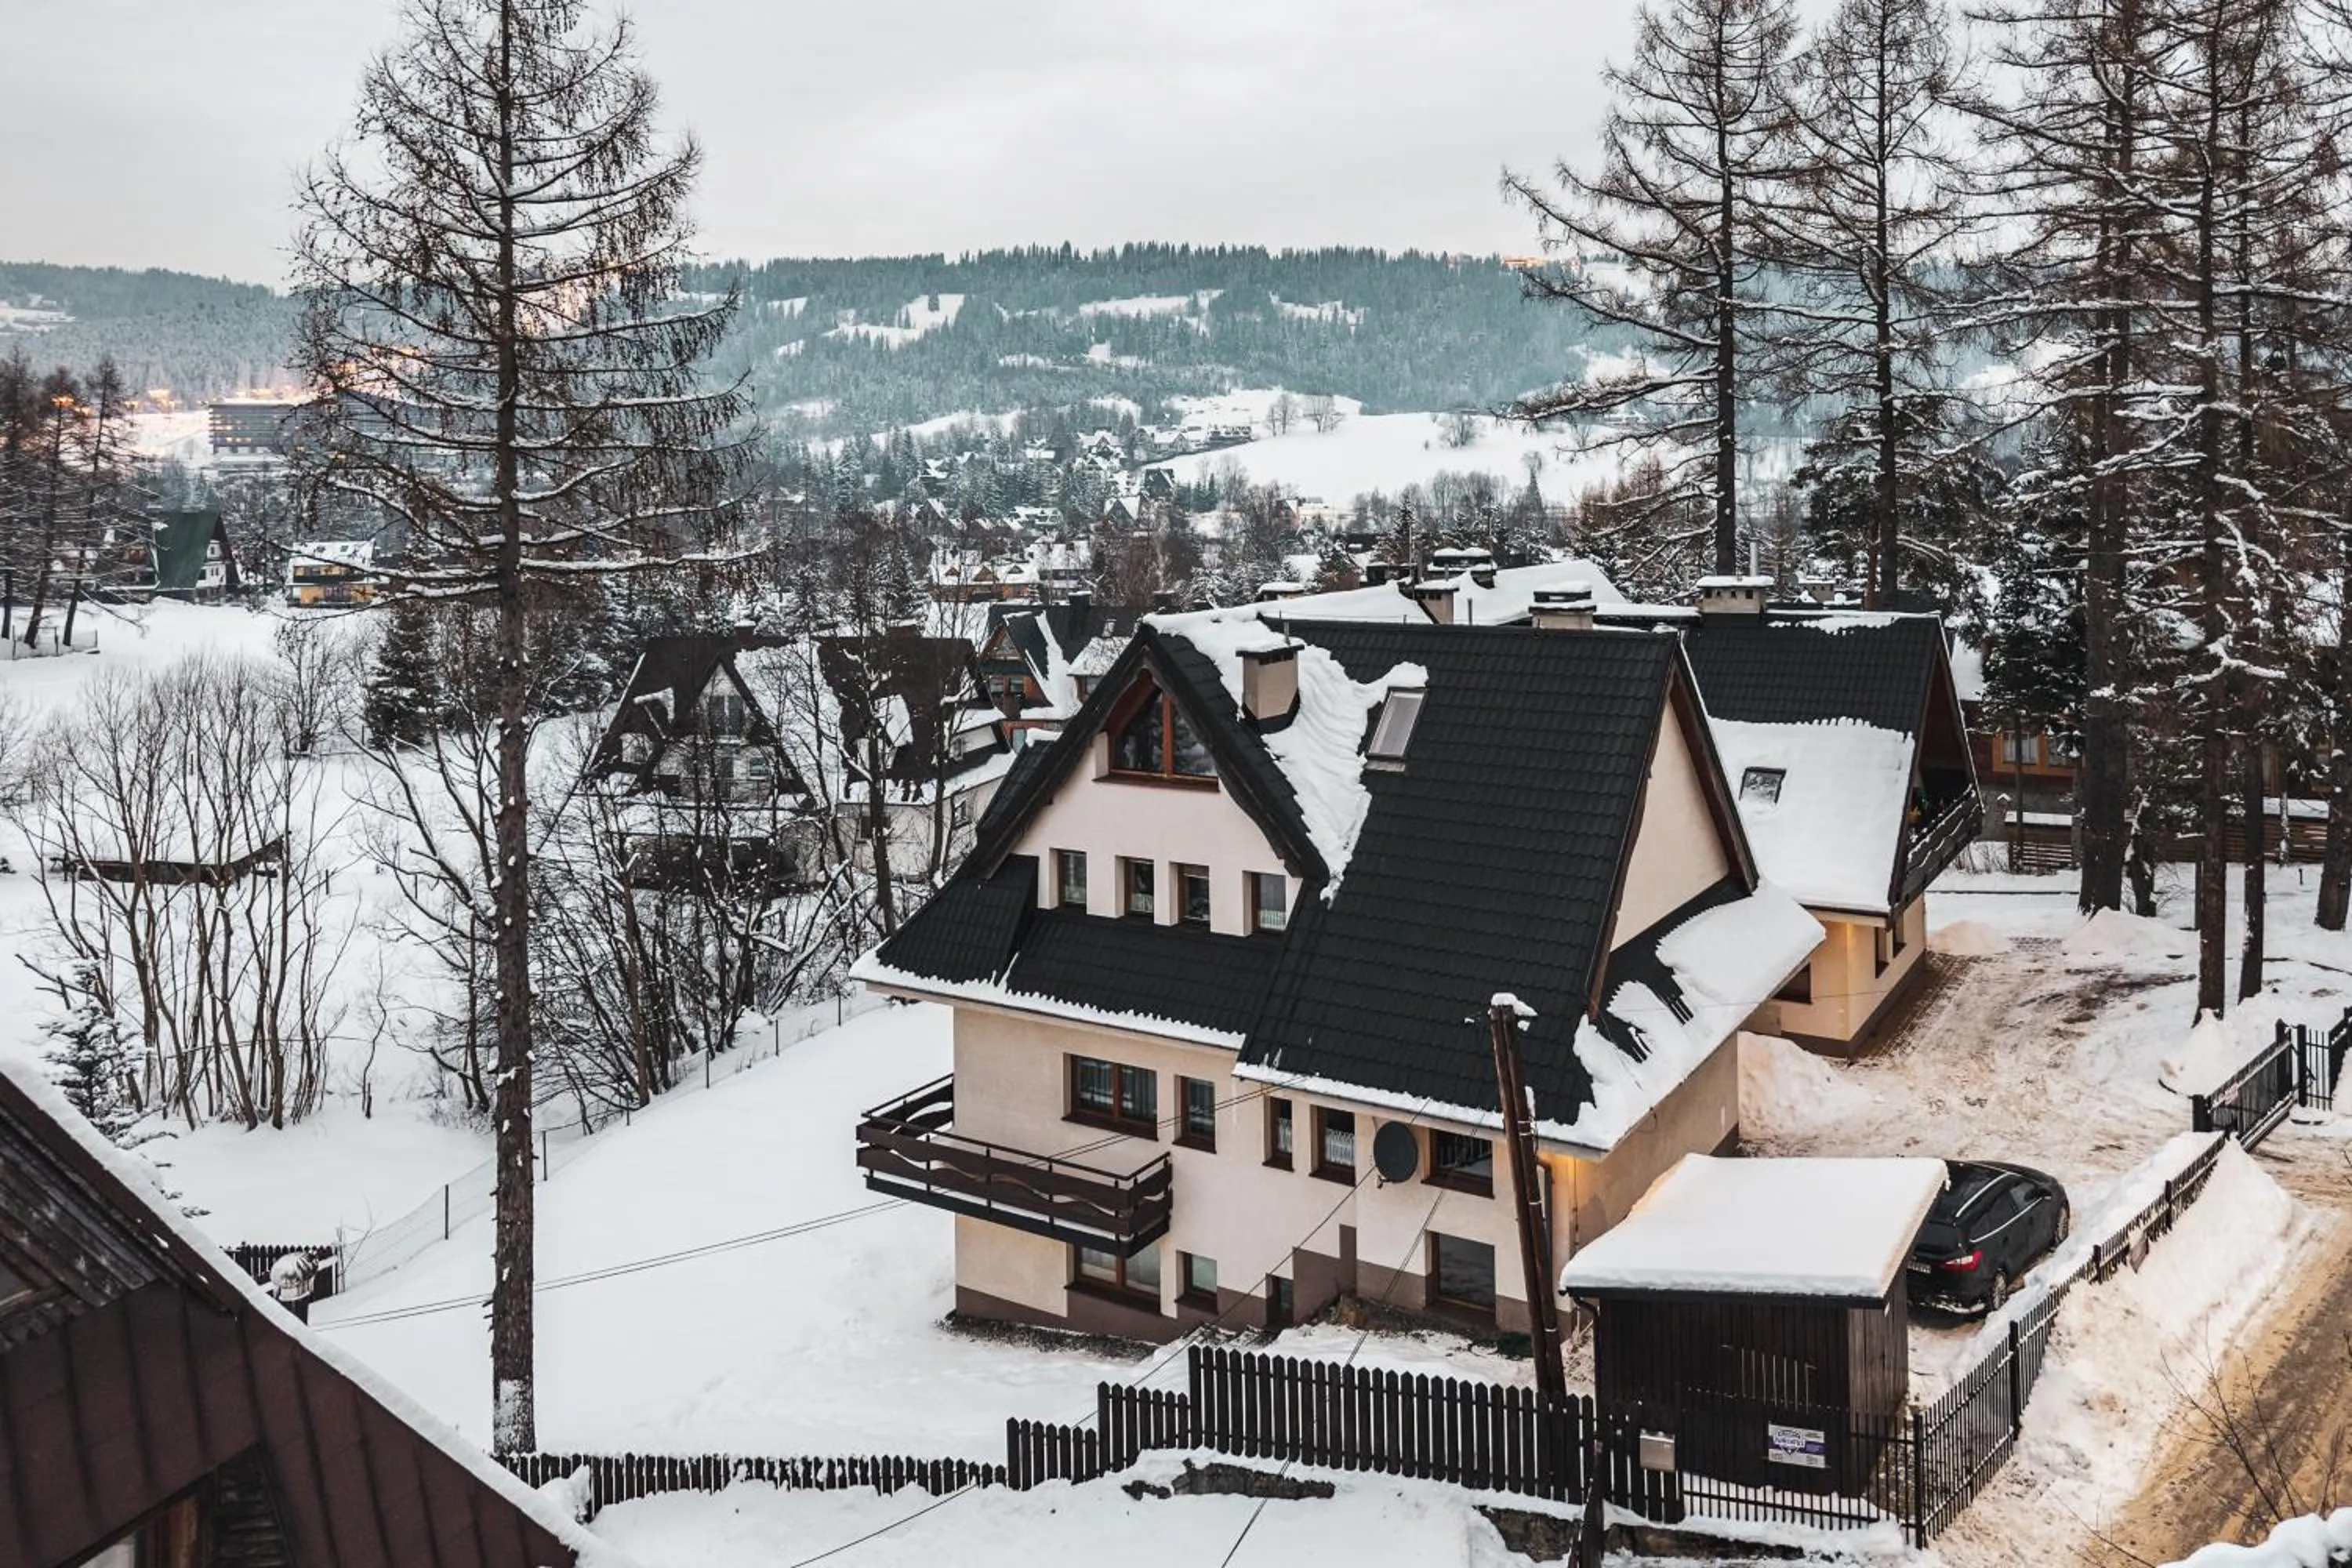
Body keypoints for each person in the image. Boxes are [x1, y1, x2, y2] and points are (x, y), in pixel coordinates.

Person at [267, 1248, 324, 1323]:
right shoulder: (282, 1270)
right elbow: (276, 1281)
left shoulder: (303, 1262)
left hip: (299, 1294)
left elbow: (310, 1279)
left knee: (298, 1319)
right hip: (288, 1295)